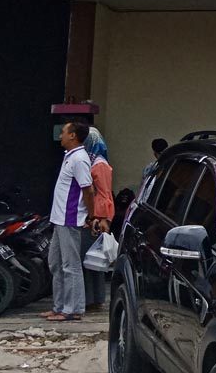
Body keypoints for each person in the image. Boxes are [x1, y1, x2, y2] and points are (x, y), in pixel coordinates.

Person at [42, 121, 93, 322]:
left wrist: (91, 214)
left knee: (70, 265)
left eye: (63, 132)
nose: (60, 135)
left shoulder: (79, 159)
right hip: (59, 218)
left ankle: (73, 309)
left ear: (73, 136)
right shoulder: (69, 157)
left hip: (70, 218)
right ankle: (60, 306)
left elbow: (87, 189)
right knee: (55, 263)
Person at [83, 127, 115, 312]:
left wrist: (101, 218)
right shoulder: (92, 161)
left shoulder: (99, 164)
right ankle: (92, 298)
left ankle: (94, 298)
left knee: (92, 259)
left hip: (96, 217)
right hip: (93, 215)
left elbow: (104, 194)